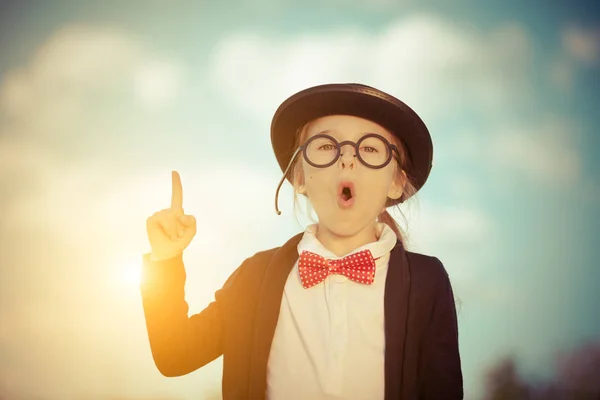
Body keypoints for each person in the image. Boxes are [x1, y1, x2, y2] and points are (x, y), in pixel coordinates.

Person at [140, 83, 463, 399]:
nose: (347, 159)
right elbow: (175, 354)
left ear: (395, 182)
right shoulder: (256, 275)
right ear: (299, 177)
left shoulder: (426, 280)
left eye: (369, 148)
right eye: (325, 146)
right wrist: (165, 261)